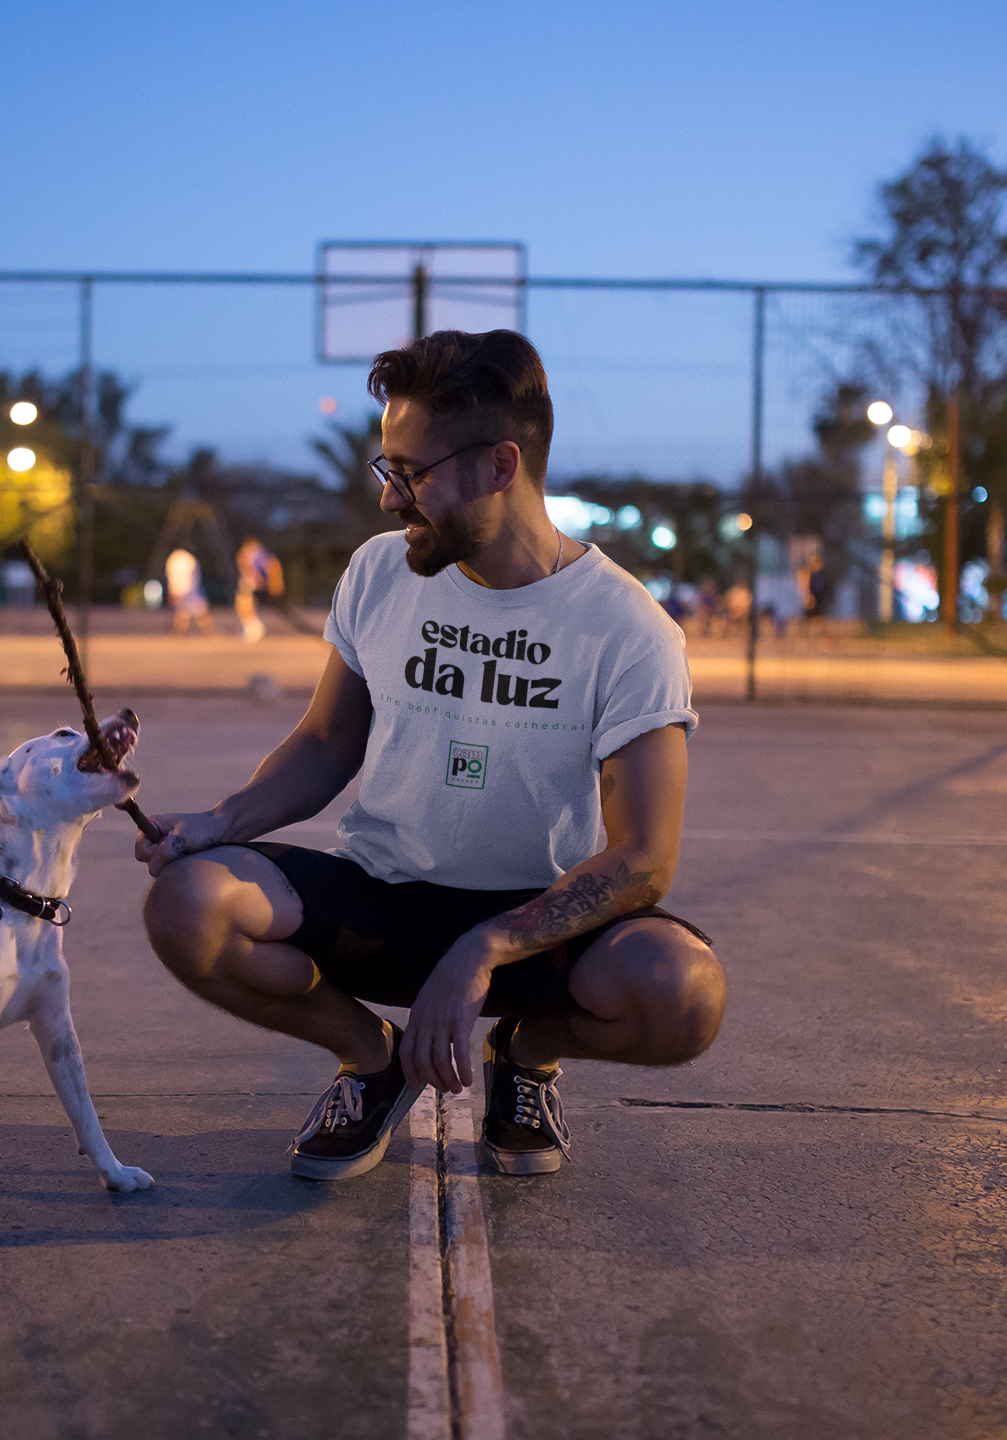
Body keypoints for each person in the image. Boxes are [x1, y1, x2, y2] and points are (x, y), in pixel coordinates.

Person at [137, 330, 726, 1182]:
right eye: (388, 469)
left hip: (535, 926)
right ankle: (370, 1061)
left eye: (410, 473)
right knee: (188, 904)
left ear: (500, 465)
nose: (390, 499)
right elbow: (324, 741)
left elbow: (643, 861)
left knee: (685, 995)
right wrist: (218, 821)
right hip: (384, 896)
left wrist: (485, 947)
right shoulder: (379, 574)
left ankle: (526, 1057)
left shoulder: (628, 629)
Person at [234, 536, 284, 644]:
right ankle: (252, 629)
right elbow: (273, 565)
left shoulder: (253, 553)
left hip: (250, 581)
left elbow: (271, 565)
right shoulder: (261, 553)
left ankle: (255, 630)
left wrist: (273, 581)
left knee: (243, 606)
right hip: (253, 581)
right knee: (246, 606)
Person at [165, 547, 217, 635]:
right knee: (190, 613)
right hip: (189, 592)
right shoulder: (188, 559)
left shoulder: (174, 558)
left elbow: (171, 577)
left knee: (185, 613)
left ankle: (181, 635)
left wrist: (173, 591)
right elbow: (189, 579)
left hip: (183, 591)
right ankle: (209, 633)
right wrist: (179, 592)